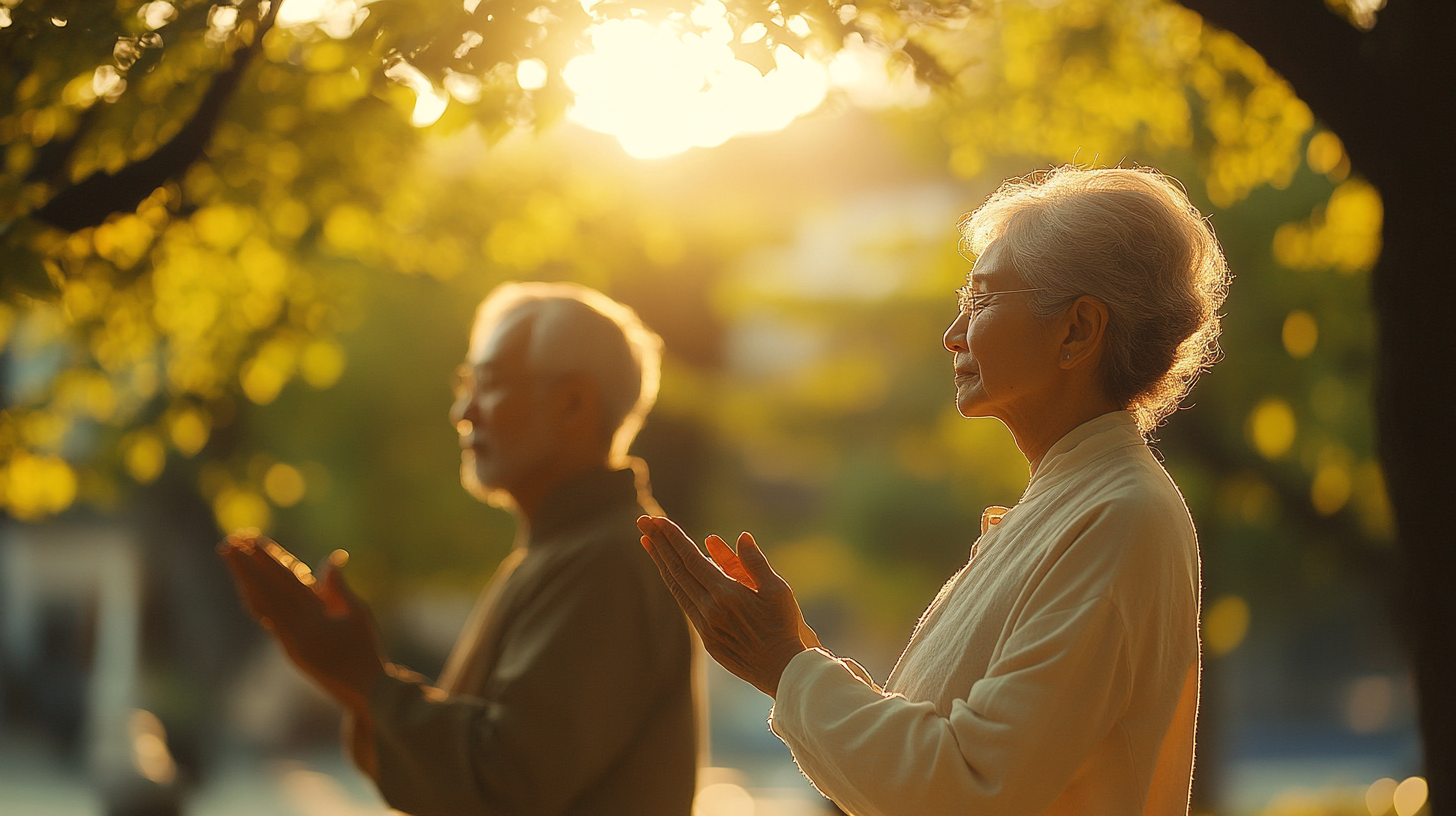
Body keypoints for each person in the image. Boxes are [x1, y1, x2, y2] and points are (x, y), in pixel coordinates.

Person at [638, 165, 1227, 816]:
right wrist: (797, 653)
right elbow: (939, 759)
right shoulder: (1074, 505)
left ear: (1078, 330)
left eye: (982, 298)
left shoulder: (1119, 515)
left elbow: (966, 789)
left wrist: (785, 667)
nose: (953, 332)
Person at [220, 282, 699, 816]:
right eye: (467, 384)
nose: (462, 411)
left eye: (489, 384)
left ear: (573, 404)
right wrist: (358, 684)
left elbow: (507, 782)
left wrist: (364, 678)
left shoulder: (611, 561)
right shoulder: (573, 549)